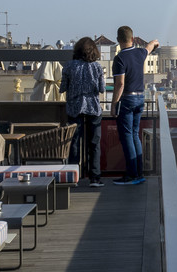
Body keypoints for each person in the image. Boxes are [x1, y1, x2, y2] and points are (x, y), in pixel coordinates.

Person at [109, 26, 157, 186]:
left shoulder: (119, 58)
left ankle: (131, 174)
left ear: (118, 40)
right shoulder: (139, 53)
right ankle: (139, 173)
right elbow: (148, 48)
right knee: (135, 134)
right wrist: (154, 42)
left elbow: (120, 84)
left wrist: (114, 104)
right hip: (140, 98)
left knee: (127, 136)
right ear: (133, 38)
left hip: (128, 100)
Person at [62, 36, 105, 188]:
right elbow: (101, 89)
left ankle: (74, 176)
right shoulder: (97, 67)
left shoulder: (69, 66)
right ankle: (95, 177)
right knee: (94, 143)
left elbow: (63, 87)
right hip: (93, 107)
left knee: (73, 143)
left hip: (74, 107)